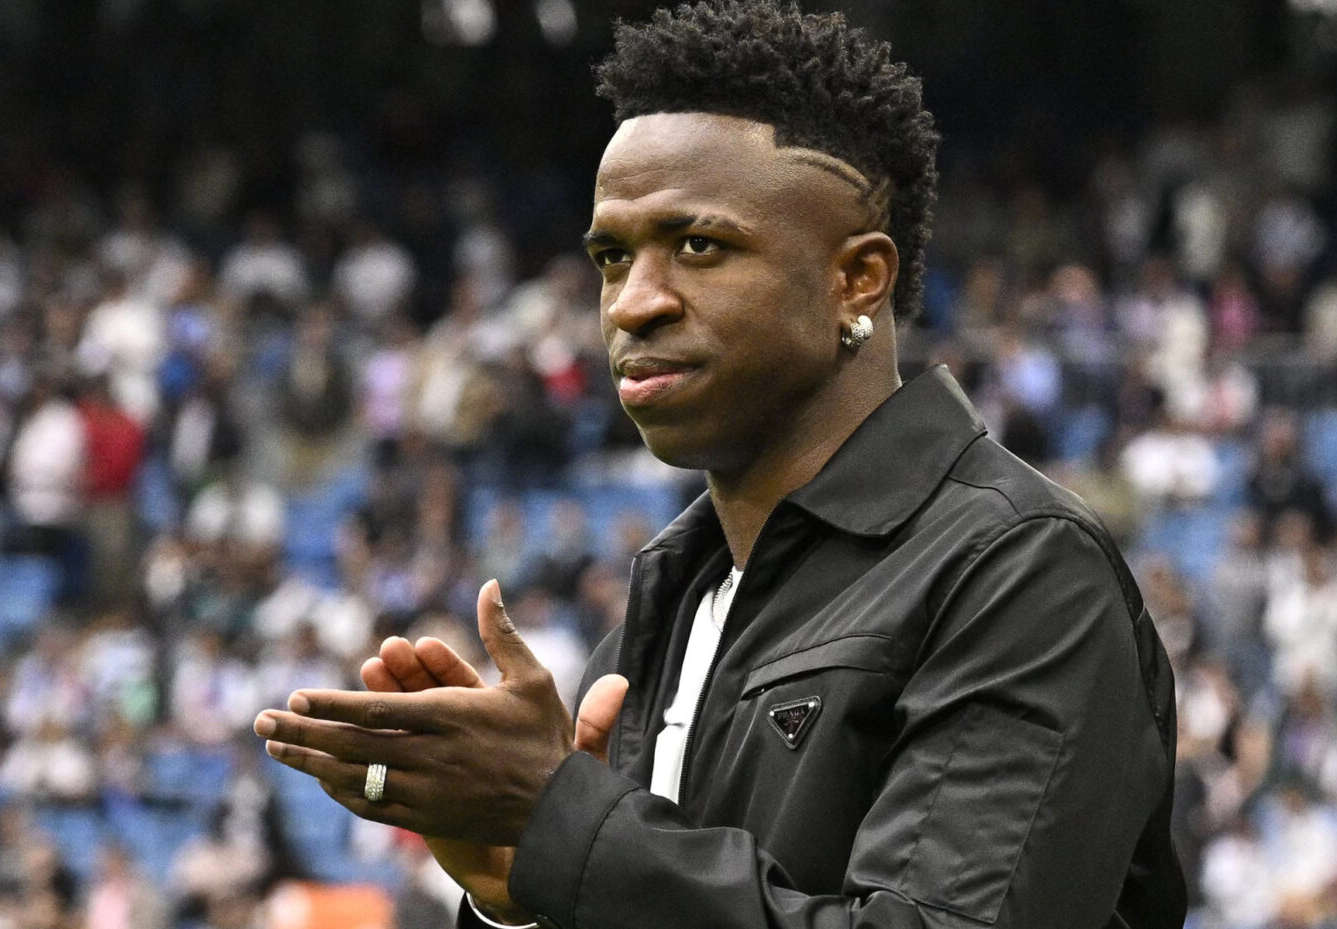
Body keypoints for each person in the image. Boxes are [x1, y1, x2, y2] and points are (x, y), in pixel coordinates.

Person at [253, 3, 1186, 927]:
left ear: (856, 279)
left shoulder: (1017, 570)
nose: (633, 303)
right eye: (612, 257)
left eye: (699, 246)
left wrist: (566, 824)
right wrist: (515, 896)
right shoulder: (658, 617)